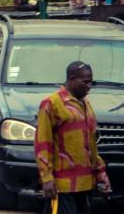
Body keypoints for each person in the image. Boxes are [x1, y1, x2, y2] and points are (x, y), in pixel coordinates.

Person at [35, 61, 111, 213]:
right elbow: (43, 144)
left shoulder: (86, 105)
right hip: (62, 185)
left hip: (85, 184)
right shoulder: (51, 104)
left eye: (91, 82)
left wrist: (100, 172)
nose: (89, 86)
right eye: (85, 82)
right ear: (71, 79)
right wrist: (47, 178)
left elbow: (91, 145)